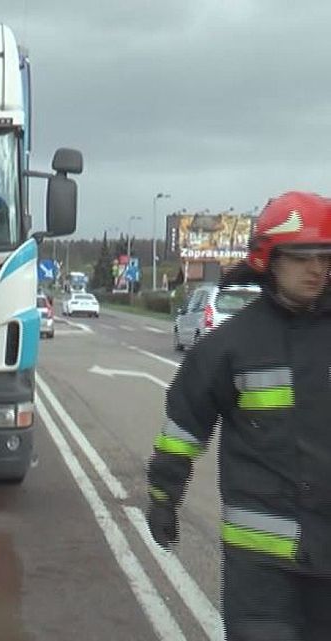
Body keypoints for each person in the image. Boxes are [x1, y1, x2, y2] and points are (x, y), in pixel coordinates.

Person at [145, 192, 331, 640]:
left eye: (325, 258)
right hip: (259, 569)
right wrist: (163, 495)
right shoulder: (229, 347)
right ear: (269, 260)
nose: (317, 270)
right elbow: (183, 428)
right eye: (302, 258)